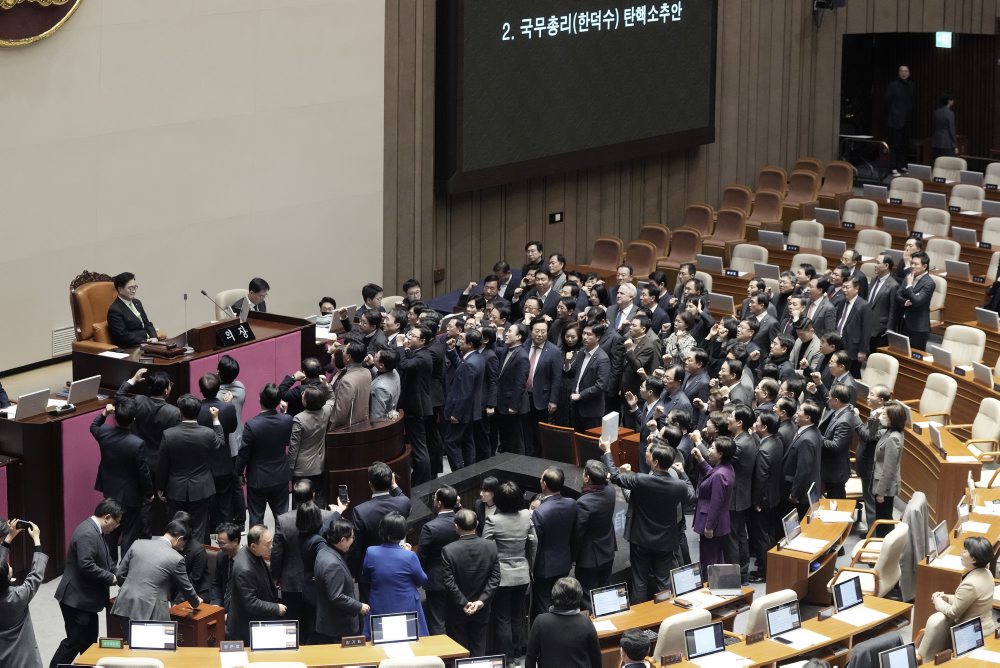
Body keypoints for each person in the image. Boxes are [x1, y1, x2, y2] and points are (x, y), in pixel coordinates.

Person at [600, 439, 694, 602]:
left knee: (639, 582)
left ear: (656, 462)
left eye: (649, 452)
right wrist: (683, 473)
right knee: (663, 582)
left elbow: (615, 477)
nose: (646, 453)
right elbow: (692, 496)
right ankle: (664, 619)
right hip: (666, 540)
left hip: (640, 540)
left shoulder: (641, 480)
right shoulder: (679, 485)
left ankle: (640, 623)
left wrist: (607, 450)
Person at [51, 500, 122, 667]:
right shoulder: (88, 533)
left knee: (90, 643)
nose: (116, 527)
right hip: (76, 600)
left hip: (86, 599)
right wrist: (111, 578)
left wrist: (117, 572)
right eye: (116, 523)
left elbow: (105, 558)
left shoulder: (96, 531)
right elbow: (87, 565)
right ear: (107, 517)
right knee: (74, 642)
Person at [116, 367, 180, 537]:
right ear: (166, 390)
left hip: (139, 459)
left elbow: (119, 396)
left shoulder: (138, 401)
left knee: (143, 501)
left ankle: (143, 535)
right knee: (160, 501)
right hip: (160, 462)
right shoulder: (174, 413)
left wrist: (133, 379)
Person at [111, 520, 201, 637]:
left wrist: (133, 589)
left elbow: (120, 575)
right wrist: (196, 602)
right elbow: (186, 587)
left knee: (131, 645)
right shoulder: (175, 558)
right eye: (183, 544)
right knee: (154, 648)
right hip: (151, 611)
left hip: (125, 603)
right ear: (180, 539)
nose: (182, 548)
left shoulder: (138, 544)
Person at [157, 395, 224, 544]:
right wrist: (215, 419)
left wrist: (160, 487)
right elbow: (220, 442)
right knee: (200, 527)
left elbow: (162, 465)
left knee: (176, 527)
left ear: (180, 412)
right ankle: (199, 562)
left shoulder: (168, 434)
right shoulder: (207, 433)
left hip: (176, 488)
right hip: (202, 487)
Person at [917, 536, 996, 660]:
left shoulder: (970, 584)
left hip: (970, 637)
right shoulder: (987, 573)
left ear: (973, 559)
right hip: (987, 629)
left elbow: (953, 612)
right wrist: (946, 598)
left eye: (964, 551)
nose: (961, 553)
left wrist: (938, 601)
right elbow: (969, 600)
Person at [272, 483, 333, 644]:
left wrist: (275, 577)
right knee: (318, 622)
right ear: (313, 495)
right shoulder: (327, 516)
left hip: (292, 581)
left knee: (294, 625)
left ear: (294, 497)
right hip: (319, 579)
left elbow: (277, 553)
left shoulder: (283, 520)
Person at [90, 399, 151, 558]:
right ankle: (125, 570)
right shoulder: (137, 443)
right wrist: (149, 492)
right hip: (131, 496)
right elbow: (143, 472)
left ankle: (110, 567)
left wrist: (105, 412)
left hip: (110, 490)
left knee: (110, 531)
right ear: (134, 419)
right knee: (129, 534)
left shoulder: (104, 433)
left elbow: (93, 426)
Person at [483, 480, 536, 657]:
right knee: (517, 615)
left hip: (501, 576)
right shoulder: (526, 515)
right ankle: (519, 650)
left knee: (502, 617)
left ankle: (508, 657)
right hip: (522, 573)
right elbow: (534, 543)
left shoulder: (493, 520)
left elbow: (485, 547)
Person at [441, 509, 501, 657]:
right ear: (478, 524)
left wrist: (463, 603)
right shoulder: (491, 546)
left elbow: (449, 582)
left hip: (457, 608)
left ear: (456, 527)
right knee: (479, 645)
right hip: (482, 608)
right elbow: (495, 578)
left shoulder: (448, 550)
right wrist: (481, 601)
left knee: (459, 649)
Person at [361, 511, 428, 637]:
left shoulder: (371, 552)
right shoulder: (409, 556)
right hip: (407, 605)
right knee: (409, 641)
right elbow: (422, 580)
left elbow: (366, 576)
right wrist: (408, 553)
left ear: (381, 530)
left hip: (380, 603)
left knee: (379, 641)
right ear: (403, 532)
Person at [236, 383, 294, 526]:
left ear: (260, 400)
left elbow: (244, 453)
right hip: (280, 476)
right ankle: (284, 547)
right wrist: (283, 414)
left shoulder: (252, 425)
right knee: (283, 518)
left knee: (256, 520)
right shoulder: (287, 419)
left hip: (258, 479)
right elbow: (287, 441)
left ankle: (256, 548)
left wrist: (238, 473)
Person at [347, 462, 411, 578]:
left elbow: (356, 547)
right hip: (398, 566)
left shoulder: (360, 511)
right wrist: (394, 485)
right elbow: (402, 496)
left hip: (371, 570)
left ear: (370, 485)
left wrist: (352, 573)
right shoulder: (404, 503)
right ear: (391, 481)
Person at [226, 524, 286, 643]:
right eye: (267, 544)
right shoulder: (244, 569)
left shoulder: (252, 552)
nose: (272, 546)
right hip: (246, 629)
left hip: (255, 620)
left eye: (271, 541)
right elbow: (251, 603)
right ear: (253, 546)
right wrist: (276, 608)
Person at [524, 577, 601, 668]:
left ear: (554, 595)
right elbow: (596, 657)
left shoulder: (541, 621)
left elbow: (530, 657)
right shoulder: (586, 622)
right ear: (579, 597)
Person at [313, 519, 369, 644]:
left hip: (328, 620)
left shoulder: (323, 550)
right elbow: (336, 596)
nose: (353, 540)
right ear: (342, 540)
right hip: (338, 626)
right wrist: (359, 606)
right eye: (352, 538)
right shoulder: (333, 564)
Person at [530, 467, 578, 616]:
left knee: (544, 605)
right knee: (561, 601)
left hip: (543, 567)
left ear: (544, 484)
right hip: (564, 562)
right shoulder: (572, 503)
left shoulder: (540, 512)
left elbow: (535, 542)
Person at [196, 373, 239, 530]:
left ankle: (210, 532)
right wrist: (226, 405)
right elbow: (233, 428)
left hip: (203, 464)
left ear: (201, 390)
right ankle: (228, 532)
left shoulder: (196, 409)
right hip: (224, 461)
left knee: (205, 503)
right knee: (226, 502)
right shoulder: (228, 407)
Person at [0, 520, 46, 667]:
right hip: (23, 660)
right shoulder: (18, 596)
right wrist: (37, 540)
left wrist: (8, 539)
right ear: (7, 577)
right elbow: (36, 575)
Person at [419, 485, 460, 635]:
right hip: (459, 578)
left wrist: (418, 577)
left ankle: (442, 657)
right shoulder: (462, 522)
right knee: (455, 620)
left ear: (439, 503)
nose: (433, 501)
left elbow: (422, 556)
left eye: (434, 498)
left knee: (437, 621)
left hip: (436, 581)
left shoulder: (430, 527)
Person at [572, 459, 617, 598]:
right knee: (605, 592)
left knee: (588, 596)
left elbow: (578, 534)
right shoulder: (611, 491)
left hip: (590, 557)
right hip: (608, 549)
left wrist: (572, 557)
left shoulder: (584, 503)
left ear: (587, 478)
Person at [444, 330, 486, 469]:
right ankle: (470, 470)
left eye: (462, 340)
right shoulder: (477, 357)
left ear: (470, 344)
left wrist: (456, 413)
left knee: (451, 441)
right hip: (471, 410)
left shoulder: (470, 363)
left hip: (462, 410)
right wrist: (451, 350)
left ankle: (459, 473)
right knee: (468, 440)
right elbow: (461, 368)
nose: (459, 341)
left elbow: (465, 392)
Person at [398, 324, 435, 484]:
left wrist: (400, 346)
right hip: (415, 404)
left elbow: (406, 365)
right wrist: (405, 350)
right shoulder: (418, 353)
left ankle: (422, 483)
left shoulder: (423, 357)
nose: (408, 337)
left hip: (416, 406)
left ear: (422, 341)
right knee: (418, 446)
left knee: (420, 448)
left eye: (412, 336)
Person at [691, 436, 735, 567]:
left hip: (711, 523)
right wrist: (701, 460)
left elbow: (716, 503)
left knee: (708, 561)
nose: (708, 450)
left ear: (720, 454)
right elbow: (712, 473)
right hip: (719, 522)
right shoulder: (726, 468)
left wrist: (709, 527)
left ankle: (707, 586)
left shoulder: (720, 475)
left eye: (712, 448)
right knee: (715, 558)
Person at [567, 323, 611, 431]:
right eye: (584, 333)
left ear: (598, 337)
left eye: (589, 334)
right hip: (576, 406)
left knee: (589, 443)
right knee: (576, 440)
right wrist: (567, 363)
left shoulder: (602, 358)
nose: (585, 337)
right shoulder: (582, 352)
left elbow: (601, 385)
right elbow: (572, 372)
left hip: (591, 410)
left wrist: (580, 395)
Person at [870, 401, 905, 535]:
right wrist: (874, 417)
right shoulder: (891, 431)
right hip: (882, 485)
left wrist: (881, 492)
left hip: (884, 487)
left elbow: (889, 469)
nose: (881, 417)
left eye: (884, 415)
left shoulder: (893, 438)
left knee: (884, 520)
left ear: (893, 418)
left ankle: (884, 546)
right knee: (883, 517)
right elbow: (872, 434)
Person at [784, 401, 823, 518]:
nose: (796, 413)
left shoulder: (807, 439)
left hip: (801, 494)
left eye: (800, 410)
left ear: (807, 417)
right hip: (807, 489)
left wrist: (794, 493)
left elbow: (803, 470)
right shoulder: (813, 431)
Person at [495, 323, 530, 454]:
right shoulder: (506, 349)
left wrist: (514, 406)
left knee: (515, 440)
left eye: (509, 331)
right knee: (505, 438)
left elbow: (520, 383)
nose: (506, 333)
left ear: (519, 336)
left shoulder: (522, 356)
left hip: (513, 405)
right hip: (503, 402)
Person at [894, 251, 935, 351]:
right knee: (901, 353)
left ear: (924, 266)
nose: (912, 266)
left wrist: (909, 285)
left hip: (918, 328)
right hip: (903, 323)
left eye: (916, 264)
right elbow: (898, 295)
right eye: (911, 263)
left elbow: (916, 301)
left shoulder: (929, 283)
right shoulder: (909, 276)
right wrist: (905, 302)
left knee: (915, 359)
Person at [107, 271, 158, 347]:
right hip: (132, 347)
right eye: (130, 288)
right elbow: (122, 336)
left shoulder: (137, 302)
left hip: (149, 343)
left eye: (135, 287)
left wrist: (154, 337)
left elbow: (147, 323)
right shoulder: (114, 310)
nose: (133, 291)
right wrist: (145, 341)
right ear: (120, 289)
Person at [331, 341, 372, 428]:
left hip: (348, 428)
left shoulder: (346, 380)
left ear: (348, 357)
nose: (342, 353)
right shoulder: (367, 372)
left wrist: (331, 428)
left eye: (344, 351)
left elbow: (341, 414)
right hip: (363, 423)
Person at [885, 64, 914, 175]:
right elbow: (887, 102)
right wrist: (894, 115)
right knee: (895, 145)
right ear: (898, 73)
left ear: (909, 73)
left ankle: (902, 165)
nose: (904, 73)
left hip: (907, 121)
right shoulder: (893, 85)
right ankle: (893, 167)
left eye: (906, 71)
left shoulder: (911, 85)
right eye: (901, 71)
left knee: (904, 145)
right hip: (895, 121)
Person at [209, 522, 241, 608]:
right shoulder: (221, 555)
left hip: (238, 611)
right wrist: (215, 604)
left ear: (235, 541)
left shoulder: (247, 560)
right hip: (222, 606)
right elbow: (217, 583)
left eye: (222, 543)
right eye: (218, 542)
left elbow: (247, 597)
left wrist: (231, 614)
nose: (220, 547)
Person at [369, 348, 401, 420]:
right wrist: (372, 365)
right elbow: (381, 375)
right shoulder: (394, 371)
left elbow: (376, 416)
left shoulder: (380, 388)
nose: (373, 358)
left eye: (376, 357)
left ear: (381, 365)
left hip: (382, 423)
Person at [932, 93, 958, 158]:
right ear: (949, 101)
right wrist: (955, 145)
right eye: (952, 100)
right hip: (947, 143)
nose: (953, 101)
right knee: (949, 164)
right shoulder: (950, 113)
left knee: (937, 163)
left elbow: (934, 126)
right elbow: (952, 130)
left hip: (936, 141)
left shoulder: (936, 112)